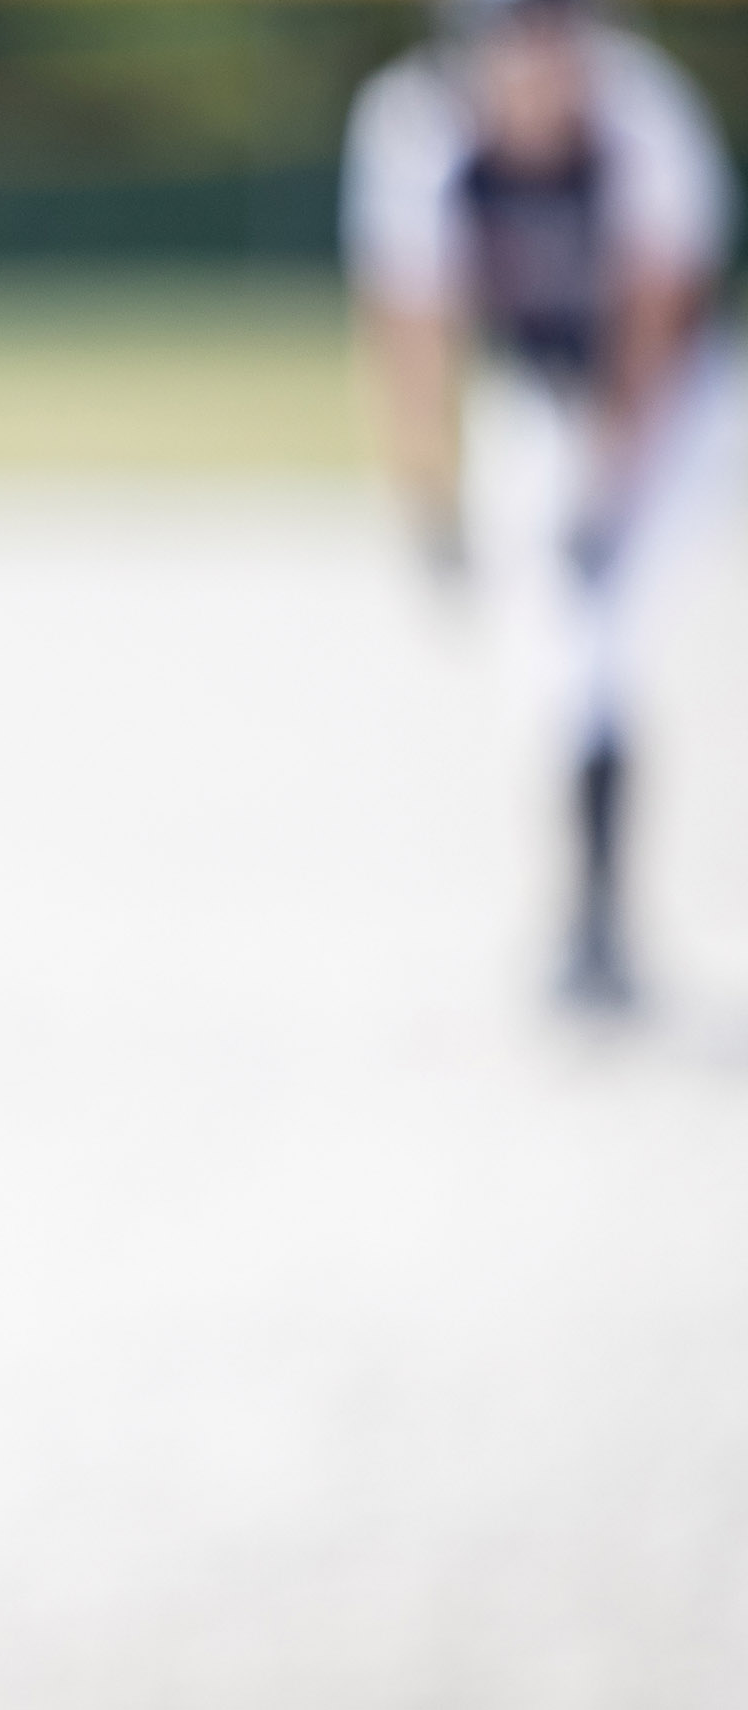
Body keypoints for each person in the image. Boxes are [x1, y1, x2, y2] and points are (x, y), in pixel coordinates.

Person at [344, 0, 736, 1013]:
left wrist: (606, 501)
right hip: (538, 398)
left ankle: (600, 930)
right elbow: (412, 335)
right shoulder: (417, 133)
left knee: (602, 628)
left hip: (674, 408)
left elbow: (656, 327)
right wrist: (429, 501)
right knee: (549, 656)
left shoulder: (643, 121)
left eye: (555, 37)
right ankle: (579, 921)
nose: (537, 64)